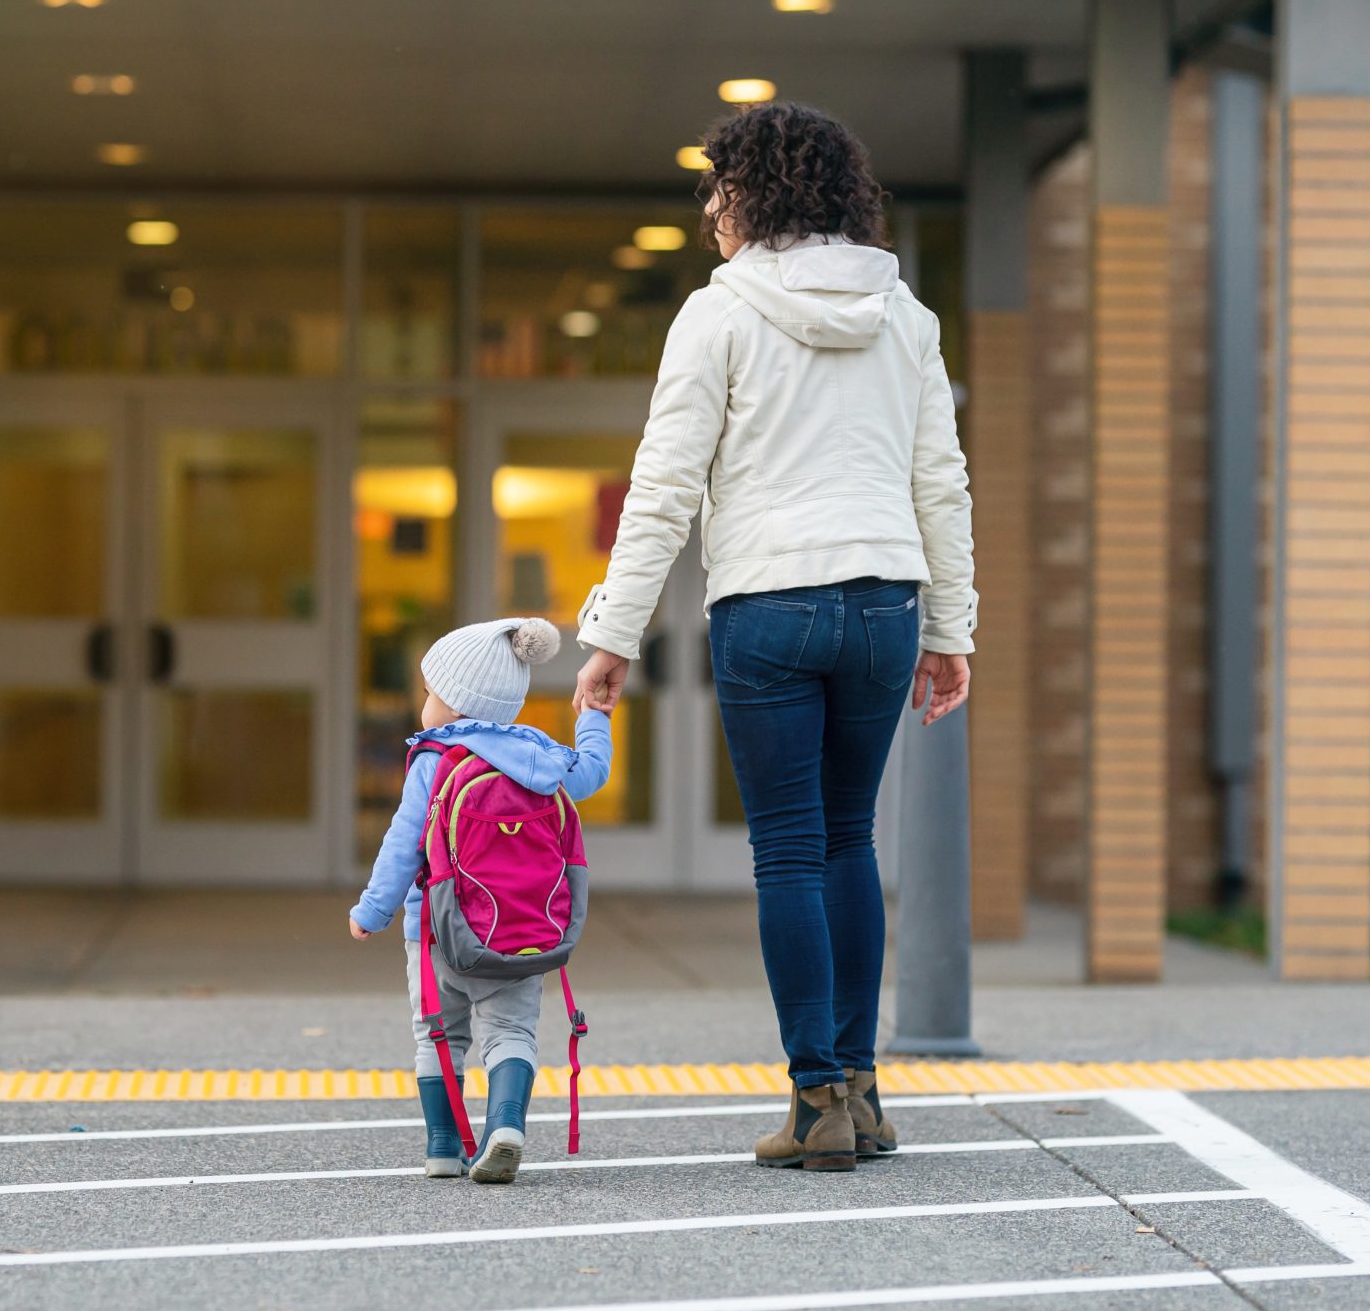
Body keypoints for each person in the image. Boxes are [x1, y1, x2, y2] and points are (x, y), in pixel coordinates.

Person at [572, 100, 977, 1174]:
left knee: (789, 850)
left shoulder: (718, 314)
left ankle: (813, 1103)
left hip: (769, 606)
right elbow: (940, 483)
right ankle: (862, 1090)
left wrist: (614, 633)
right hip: (885, 602)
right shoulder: (908, 318)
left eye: (717, 187)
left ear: (754, 192)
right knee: (849, 840)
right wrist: (950, 627)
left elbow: (662, 486)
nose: (708, 208)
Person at [350, 617, 612, 1183]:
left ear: (454, 702)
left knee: (439, 1034)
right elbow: (591, 773)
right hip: (523, 929)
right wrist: (594, 719)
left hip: (436, 931)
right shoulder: (537, 756)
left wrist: (371, 909)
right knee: (511, 1033)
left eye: (429, 692)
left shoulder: (433, 761)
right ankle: (506, 1127)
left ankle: (445, 1147)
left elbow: (403, 843)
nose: (425, 703)